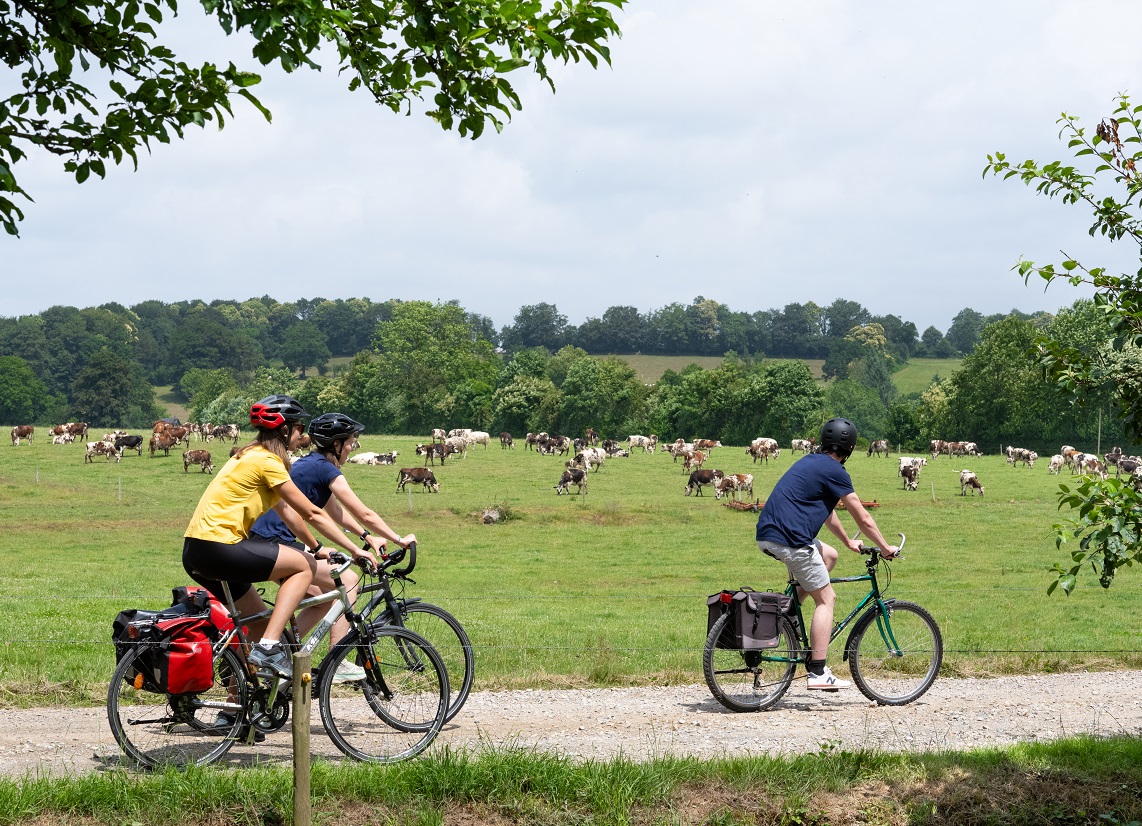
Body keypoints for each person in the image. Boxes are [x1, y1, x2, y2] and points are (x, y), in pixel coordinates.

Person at [182, 395, 374, 683]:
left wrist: (318, 546)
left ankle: (237, 709)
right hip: (222, 546)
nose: (303, 435)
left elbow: (288, 514)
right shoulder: (268, 461)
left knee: (258, 624)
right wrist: (356, 551)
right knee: (303, 567)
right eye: (298, 428)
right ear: (284, 430)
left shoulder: (246, 455)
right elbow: (310, 511)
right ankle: (270, 647)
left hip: (196, 550)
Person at [249, 412, 415, 681]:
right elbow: (364, 513)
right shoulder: (326, 469)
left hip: (265, 539)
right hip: (276, 541)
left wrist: (366, 537)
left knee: (322, 601)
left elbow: (335, 513)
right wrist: (398, 539)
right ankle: (338, 659)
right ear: (336, 444)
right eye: (350, 441)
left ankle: (282, 652)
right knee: (348, 580)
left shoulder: (313, 466)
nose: (352, 447)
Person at [754, 417, 898, 690]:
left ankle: (788, 614)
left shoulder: (810, 461)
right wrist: (884, 546)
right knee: (827, 599)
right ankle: (818, 672)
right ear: (850, 448)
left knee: (829, 556)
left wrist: (846, 542)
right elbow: (863, 517)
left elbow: (827, 512)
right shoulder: (836, 471)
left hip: (768, 535)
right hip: (792, 541)